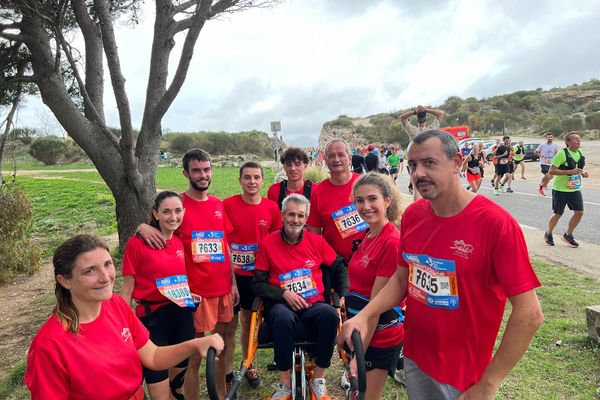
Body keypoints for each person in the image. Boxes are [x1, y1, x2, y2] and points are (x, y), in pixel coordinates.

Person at [339, 130, 543, 400]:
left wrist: (488, 384)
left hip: (463, 375)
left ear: (457, 162)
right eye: (412, 165)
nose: (418, 173)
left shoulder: (496, 224)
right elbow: (402, 279)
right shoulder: (413, 215)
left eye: (429, 163)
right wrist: (365, 316)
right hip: (416, 356)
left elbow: (530, 314)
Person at [25, 234, 224, 400]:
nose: (105, 277)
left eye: (107, 264)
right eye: (89, 271)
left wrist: (196, 345)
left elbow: (153, 357)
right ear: (65, 280)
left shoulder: (116, 305)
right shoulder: (49, 344)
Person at [137, 148, 238, 400]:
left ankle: (221, 395)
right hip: (195, 295)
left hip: (224, 289)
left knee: (222, 347)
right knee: (193, 356)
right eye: (196, 170)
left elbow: (224, 244)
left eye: (206, 169)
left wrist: (233, 282)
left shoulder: (217, 204)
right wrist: (141, 227)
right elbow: (156, 229)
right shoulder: (178, 206)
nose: (203, 175)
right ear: (185, 173)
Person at [253, 194, 348, 400]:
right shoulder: (268, 243)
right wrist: (283, 293)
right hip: (281, 304)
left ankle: (319, 379)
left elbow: (339, 266)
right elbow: (258, 283)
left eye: (300, 216)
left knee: (331, 315)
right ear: (282, 215)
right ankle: (285, 383)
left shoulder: (317, 241)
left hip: (313, 304)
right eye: (291, 214)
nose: (295, 219)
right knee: (282, 318)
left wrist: (344, 294)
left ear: (306, 219)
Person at [121, 191, 197, 400]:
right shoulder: (137, 244)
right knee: (159, 391)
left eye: (177, 211)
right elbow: (126, 290)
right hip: (151, 321)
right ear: (155, 214)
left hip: (182, 315)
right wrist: (124, 327)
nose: (173, 217)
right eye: (166, 212)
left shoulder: (180, 240)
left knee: (176, 388)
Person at [344, 172, 405, 399]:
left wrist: (358, 357)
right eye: (359, 200)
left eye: (372, 199)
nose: (365, 206)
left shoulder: (391, 242)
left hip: (377, 335)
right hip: (360, 332)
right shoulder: (368, 234)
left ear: (387, 201)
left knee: (367, 396)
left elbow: (376, 307)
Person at [223, 161, 282, 390]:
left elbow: (277, 243)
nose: (252, 182)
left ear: (262, 180)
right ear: (240, 180)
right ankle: (227, 376)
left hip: (257, 277)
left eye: (256, 177)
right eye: (247, 177)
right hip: (231, 276)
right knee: (229, 325)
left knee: (250, 322)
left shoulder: (271, 208)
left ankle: (247, 364)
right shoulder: (227, 205)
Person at [307, 139, 367, 263]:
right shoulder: (318, 193)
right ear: (326, 161)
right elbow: (314, 234)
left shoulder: (366, 183)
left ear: (349, 158)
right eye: (331, 156)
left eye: (341, 155)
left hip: (369, 258)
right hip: (336, 264)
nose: (336, 159)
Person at [544, 131, 589, 248]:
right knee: (558, 213)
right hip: (560, 189)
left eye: (579, 139)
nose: (579, 141)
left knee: (579, 212)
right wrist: (568, 172)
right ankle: (548, 233)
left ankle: (568, 235)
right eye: (576, 139)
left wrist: (583, 173)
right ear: (568, 142)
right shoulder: (562, 154)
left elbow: (577, 169)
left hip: (574, 189)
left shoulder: (580, 153)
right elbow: (551, 171)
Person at [400, 105, 445, 196]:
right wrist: (426, 110)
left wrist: (415, 112)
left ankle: (417, 207)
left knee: (417, 188)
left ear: (417, 121)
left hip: (415, 161)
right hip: (429, 160)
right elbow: (441, 114)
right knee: (433, 184)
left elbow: (403, 118)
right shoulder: (431, 129)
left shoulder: (412, 130)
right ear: (426, 120)